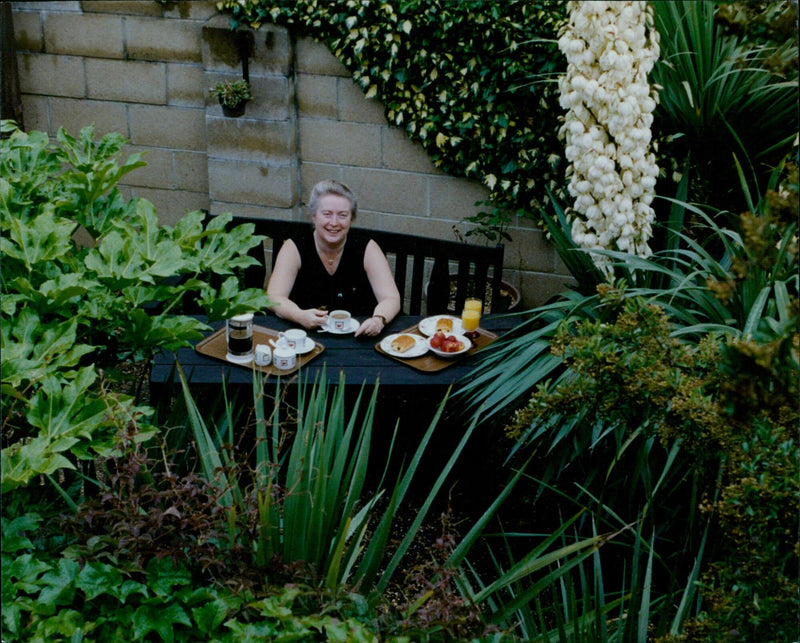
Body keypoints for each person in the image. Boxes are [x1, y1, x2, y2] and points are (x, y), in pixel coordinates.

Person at [266, 180, 401, 337]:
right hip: (306, 338)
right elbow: (274, 296)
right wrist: (299, 315)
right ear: (314, 216)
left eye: (342, 215)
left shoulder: (367, 248)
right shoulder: (294, 247)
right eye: (327, 214)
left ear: (351, 218)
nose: (334, 223)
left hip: (358, 339)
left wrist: (378, 320)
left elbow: (391, 298)